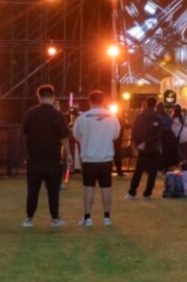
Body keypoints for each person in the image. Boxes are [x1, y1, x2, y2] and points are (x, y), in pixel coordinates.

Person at [22, 84, 70, 227]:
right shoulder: (57, 114)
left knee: (32, 190)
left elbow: (25, 132)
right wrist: (69, 154)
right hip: (53, 159)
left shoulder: (30, 113)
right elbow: (64, 136)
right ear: (53, 96)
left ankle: (29, 218)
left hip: (34, 158)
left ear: (39, 96)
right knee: (53, 191)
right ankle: (55, 218)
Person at [73, 90, 121, 226]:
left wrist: (87, 140)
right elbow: (115, 135)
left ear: (90, 101)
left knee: (89, 187)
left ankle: (88, 218)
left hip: (89, 157)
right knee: (106, 187)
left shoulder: (83, 117)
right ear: (103, 101)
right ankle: (107, 217)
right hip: (105, 157)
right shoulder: (112, 116)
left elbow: (76, 134)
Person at [127, 96, 166, 200]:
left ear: (145, 103)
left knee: (138, 171)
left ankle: (132, 192)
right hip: (154, 148)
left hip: (142, 148)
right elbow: (159, 134)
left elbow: (134, 131)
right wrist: (148, 143)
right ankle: (147, 193)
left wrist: (138, 143)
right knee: (152, 173)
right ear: (155, 105)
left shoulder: (139, 117)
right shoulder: (158, 118)